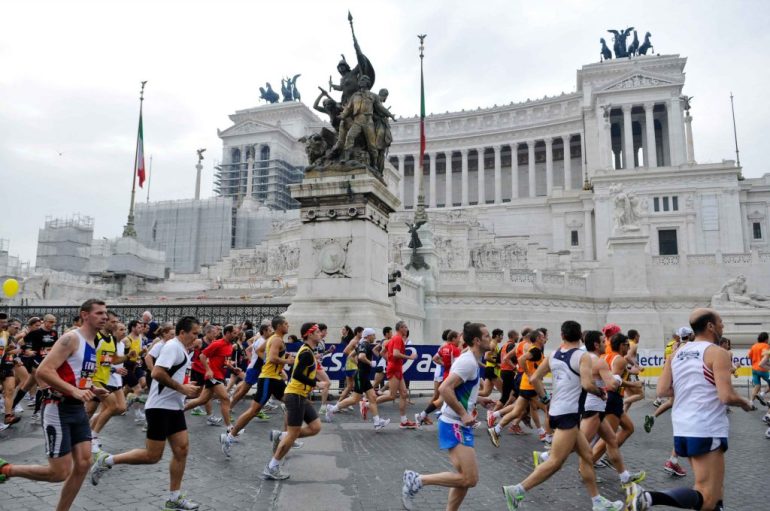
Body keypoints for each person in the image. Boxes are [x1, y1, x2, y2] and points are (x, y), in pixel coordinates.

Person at [626, 308, 755, 511]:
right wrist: (746, 403)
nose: (723, 326)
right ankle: (650, 497)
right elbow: (726, 396)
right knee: (708, 497)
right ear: (710, 326)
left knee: (713, 491)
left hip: (682, 426)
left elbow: (662, 390)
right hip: (706, 427)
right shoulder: (717, 353)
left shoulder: (676, 353)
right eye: (721, 322)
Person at [501, 320, 624, 511]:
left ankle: (597, 501)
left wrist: (546, 398)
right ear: (580, 335)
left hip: (558, 411)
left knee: (586, 455)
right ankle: (517, 490)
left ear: (562, 335)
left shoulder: (553, 355)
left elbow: (534, 378)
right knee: (555, 462)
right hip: (569, 414)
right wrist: (600, 392)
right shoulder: (582, 356)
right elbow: (586, 384)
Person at [0, 299, 108, 511]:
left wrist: (91, 389)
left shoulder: (94, 341)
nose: (104, 317)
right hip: (58, 408)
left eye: (105, 313)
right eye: (99, 313)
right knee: (58, 473)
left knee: (84, 463)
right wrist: (73, 390)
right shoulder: (71, 338)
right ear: (85, 315)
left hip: (77, 409)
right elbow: (44, 371)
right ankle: (6, 470)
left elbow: (76, 375)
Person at [91, 316, 203, 510]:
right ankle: (107, 460)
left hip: (174, 407)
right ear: (182, 332)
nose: (196, 337)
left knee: (182, 450)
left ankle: (174, 497)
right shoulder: (172, 347)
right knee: (152, 456)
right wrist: (183, 389)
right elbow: (157, 373)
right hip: (159, 408)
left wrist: (184, 387)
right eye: (194, 333)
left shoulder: (182, 349)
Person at [402, 322, 495, 511]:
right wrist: (463, 413)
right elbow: (445, 389)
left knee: (463, 478)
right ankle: (418, 480)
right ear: (477, 340)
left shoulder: (472, 360)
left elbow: (463, 390)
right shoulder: (468, 361)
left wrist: (479, 399)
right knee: (470, 478)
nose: (490, 339)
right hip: (455, 423)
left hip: (458, 423)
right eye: (487, 336)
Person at [261, 322, 325, 479]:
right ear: (309, 334)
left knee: (315, 427)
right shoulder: (306, 353)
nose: (320, 334)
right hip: (295, 395)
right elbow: (296, 374)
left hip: (300, 395)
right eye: (317, 332)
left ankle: (281, 436)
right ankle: (272, 467)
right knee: (293, 433)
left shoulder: (308, 351)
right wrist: (316, 383)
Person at [225, 316, 294, 445]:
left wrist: (271, 361)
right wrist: (287, 361)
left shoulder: (272, 339)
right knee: (253, 411)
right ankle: (230, 436)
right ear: (279, 326)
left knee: (292, 404)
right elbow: (272, 358)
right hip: (269, 378)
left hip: (273, 378)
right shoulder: (276, 340)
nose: (288, 325)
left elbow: (260, 351)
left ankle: (285, 437)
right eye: (285, 323)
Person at [591, 333, 642, 466]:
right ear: (621, 345)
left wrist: (631, 372)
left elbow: (615, 373)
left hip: (612, 398)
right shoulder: (620, 359)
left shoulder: (605, 356)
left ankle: (608, 454)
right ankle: (588, 464)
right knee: (608, 438)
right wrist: (633, 384)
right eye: (627, 345)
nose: (628, 347)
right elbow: (614, 380)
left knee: (629, 428)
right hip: (613, 398)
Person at [324, 328, 390, 430]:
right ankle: (332, 409)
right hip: (361, 376)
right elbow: (361, 356)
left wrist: (360, 365)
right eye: (373, 335)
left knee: (372, 397)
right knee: (354, 399)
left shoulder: (361, 344)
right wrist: (370, 363)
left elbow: (351, 356)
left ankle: (377, 422)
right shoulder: (365, 344)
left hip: (363, 375)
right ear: (368, 336)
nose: (375, 337)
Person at [183, 324, 241, 429]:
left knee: (202, 400)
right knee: (225, 398)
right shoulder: (217, 343)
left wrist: (232, 368)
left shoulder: (229, 346)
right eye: (234, 333)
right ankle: (230, 428)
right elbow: (202, 356)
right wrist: (208, 370)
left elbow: (225, 362)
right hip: (213, 375)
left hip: (219, 375)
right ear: (227, 333)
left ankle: (177, 410)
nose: (236, 335)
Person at [11, 314, 59, 422]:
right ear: (44, 321)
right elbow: (21, 342)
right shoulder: (36, 332)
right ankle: (37, 412)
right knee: (43, 385)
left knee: (26, 386)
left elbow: (56, 346)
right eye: (50, 322)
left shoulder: (54, 333)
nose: (52, 324)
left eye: (54, 322)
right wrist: (26, 350)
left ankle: (12, 406)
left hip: (46, 361)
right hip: (35, 361)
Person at [376, 320, 417, 428]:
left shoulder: (392, 338)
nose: (407, 329)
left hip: (396, 368)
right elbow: (395, 353)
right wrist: (410, 357)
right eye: (405, 327)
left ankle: (404, 421)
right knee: (392, 395)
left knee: (404, 393)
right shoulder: (398, 338)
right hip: (394, 369)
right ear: (400, 329)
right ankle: (367, 404)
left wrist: (389, 361)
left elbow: (382, 352)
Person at [417, 330, 461, 426]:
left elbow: (434, 358)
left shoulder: (444, 348)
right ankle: (444, 415)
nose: (459, 340)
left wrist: (445, 365)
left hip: (445, 375)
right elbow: (459, 365)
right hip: (451, 377)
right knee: (447, 398)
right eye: (458, 338)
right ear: (453, 338)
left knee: (441, 398)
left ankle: (424, 415)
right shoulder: (455, 349)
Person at [1, 318, 22, 427]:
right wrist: (8, 350)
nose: (17, 330)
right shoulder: (3, 336)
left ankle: (8, 416)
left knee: (10, 390)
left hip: (8, 367)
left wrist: (16, 360)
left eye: (19, 328)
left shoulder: (12, 338)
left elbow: (13, 354)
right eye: (16, 327)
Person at [748, 332, 769, 406]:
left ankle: (751, 403)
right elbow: (766, 357)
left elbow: (748, 356)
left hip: (754, 369)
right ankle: (762, 394)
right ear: (766, 339)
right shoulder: (766, 346)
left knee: (757, 386)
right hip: (763, 369)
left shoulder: (754, 346)